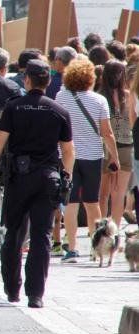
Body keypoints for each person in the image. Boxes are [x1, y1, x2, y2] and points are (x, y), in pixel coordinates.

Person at [0, 59, 75, 309]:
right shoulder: (58, 110)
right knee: (41, 236)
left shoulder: (14, 108)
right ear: (47, 82)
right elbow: (68, 150)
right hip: (47, 178)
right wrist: (66, 176)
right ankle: (35, 294)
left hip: (19, 178)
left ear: (26, 80)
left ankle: (12, 288)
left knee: (13, 233)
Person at [58, 59, 120, 264]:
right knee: (93, 202)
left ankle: (72, 249)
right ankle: (97, 249)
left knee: (71, 201)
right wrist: (115, 156)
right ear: (91, 78)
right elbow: (107, 133)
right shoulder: (99, 100)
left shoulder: (61, 97)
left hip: (69, 155)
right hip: (93, 155)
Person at [97, 60, 135, 229]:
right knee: (119, 194)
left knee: (102, 195)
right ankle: (115, 232)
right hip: (127, 145)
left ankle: (101, 229)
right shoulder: (129, 95)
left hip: (104, 147)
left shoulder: (99, 96)